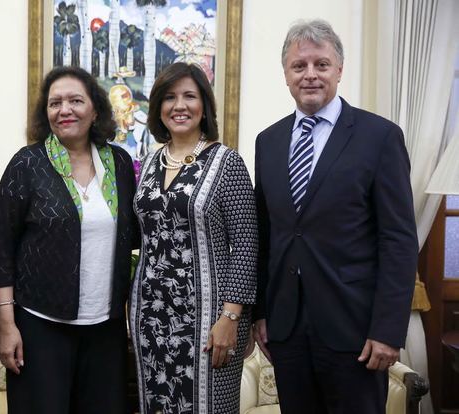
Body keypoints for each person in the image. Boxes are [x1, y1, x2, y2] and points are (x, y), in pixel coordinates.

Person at [251, 19, 418, 414]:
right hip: (287, 331)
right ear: (286, 75)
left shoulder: (379, 137)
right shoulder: (268, 141)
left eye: (321, 64)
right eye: (299, 66)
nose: (310, 75)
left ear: (339, 70)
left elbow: (398, 239)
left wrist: (387, 330)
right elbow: (266, 233)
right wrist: (262, 313)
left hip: (356, 332)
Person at [0, 65, 137, 414]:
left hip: (105, 327)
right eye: (55, 103)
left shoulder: (119, 162)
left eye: (75, 100)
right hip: (40, 326)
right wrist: (7, 326)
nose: (65, 110)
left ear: (96, 109)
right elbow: (3, 252)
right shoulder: (27, 164)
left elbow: (133, 238)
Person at [130, 62, 258, 413]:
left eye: (190, 96)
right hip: (152, 319)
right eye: (170, 97)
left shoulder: (226, 162)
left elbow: (246, 243)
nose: (179, 105)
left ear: (205, 106)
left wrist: (231, 318)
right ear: (158, 108)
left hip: (211, 322)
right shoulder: (148, 163)